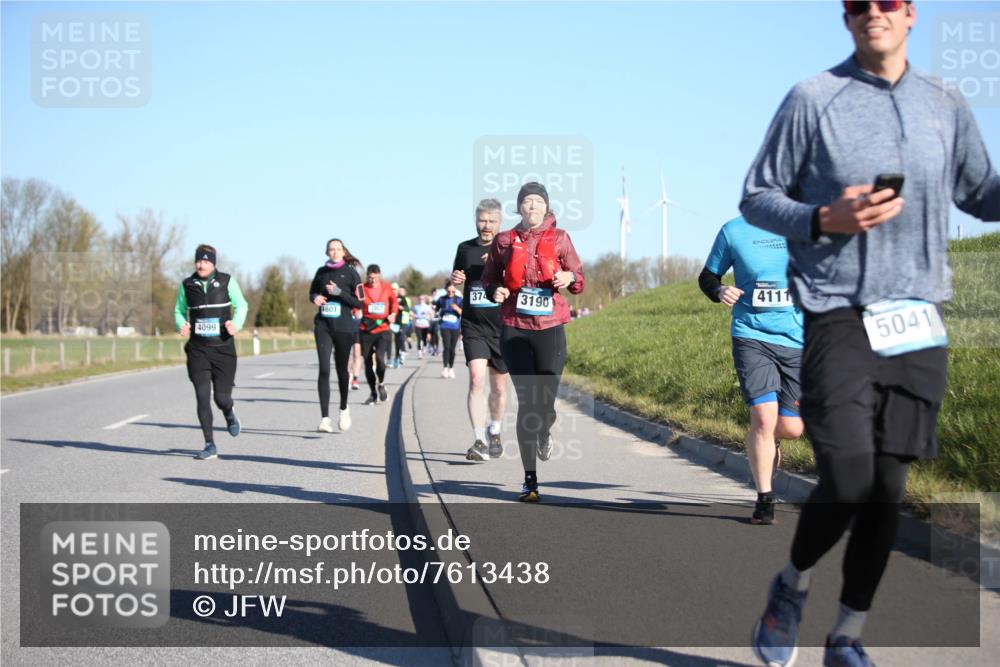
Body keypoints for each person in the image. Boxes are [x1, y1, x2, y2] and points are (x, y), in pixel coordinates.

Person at [742, 3, 1000, 666]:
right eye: (857, 4)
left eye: (886, 2)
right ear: (845, 17)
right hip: (838, 314)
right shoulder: (814, 99)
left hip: (918, 319)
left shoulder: (945, 101)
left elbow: (981, 191)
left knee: (889, 487)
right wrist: (825, 216)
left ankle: (847, 636)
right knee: (850, 475)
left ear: (911, 13)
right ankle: (790, 588)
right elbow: (757, 196)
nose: (871, 13)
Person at [482, 182, 585, 502]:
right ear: (519, 207)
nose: (532, 207)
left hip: (550, 326)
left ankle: (544, 430)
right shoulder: (503, 241)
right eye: (526, 202)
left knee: (545, 403)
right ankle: (530, 481)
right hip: (514, 328)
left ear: (546, 207)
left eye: (538, 202)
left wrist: (569, 278)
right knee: (528, 404)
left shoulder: (561, 238)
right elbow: (490, 278)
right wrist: (495, 290)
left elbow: (579, 279)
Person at [699, 216, 805, 525]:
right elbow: (707, 276)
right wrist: (719, 291)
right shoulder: (734, 231)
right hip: (751, 335)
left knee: (791, 428)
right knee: (762, 418)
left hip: (798, 338)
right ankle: (764, 499)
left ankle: (772, 442)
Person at [173, 244, 248, 460]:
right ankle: (209, 444)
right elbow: (178, 310)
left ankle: (229, 413)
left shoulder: (227, 281)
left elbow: (242, 305)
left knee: (222, 398)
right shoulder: (187, 284)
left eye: (206, 261)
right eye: (198, 260)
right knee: (202, 397)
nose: (201, 264)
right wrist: (181, 323)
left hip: (223, 350)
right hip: (198, 350)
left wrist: (236, 324)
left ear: (213, 263)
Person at [451, 198, 509, 461]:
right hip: (473, 324)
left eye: (491, 221)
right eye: (482, 220)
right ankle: (478, 441)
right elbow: (457, 275)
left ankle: (494, 430)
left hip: (502, 325)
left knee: (498, 387)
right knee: (476, 379)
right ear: (476, 220)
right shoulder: (464, 248)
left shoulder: (508, 247)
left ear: (499, 222)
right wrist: (455, 278)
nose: (486, 226)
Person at [310, 238, 363, 433]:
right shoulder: (321, 272)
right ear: (327, 252)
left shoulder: (351, 273)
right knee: (324, 369)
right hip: (323, 325)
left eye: (337, 249)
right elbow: (312, 293)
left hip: (344, 326)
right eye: (331, 249)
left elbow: (360, 303)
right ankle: (325, 418)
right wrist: (315, 297)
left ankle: (343, 408)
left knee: (342, 370)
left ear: (343, 252)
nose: (334, 252)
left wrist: (339, 292)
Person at [358, 264, 398, 405]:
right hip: (366, 329)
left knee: (380, 360)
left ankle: (381, 384)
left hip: (383, 328)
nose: (373, 280)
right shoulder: (362, 288)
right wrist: (355, 311)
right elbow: (356, 303)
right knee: (368, 363)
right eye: (370, 278)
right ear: (367, 276)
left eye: (375, 278)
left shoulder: (386, 288)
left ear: (379, 275)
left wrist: (393, 313)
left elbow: (394, 302)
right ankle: (373, 393)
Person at [435, 283, 463, 378]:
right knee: (446, 347)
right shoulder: (442, 299)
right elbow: (435, 310)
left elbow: (463, 313)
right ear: (446, 290)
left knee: (452, 349)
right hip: (444, 325)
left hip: (455, 326)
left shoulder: (459, 299)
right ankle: (445, 368)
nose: (451, 293)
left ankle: (451, 368)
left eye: (453, 291)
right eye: (449, 291)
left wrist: (457, 308)